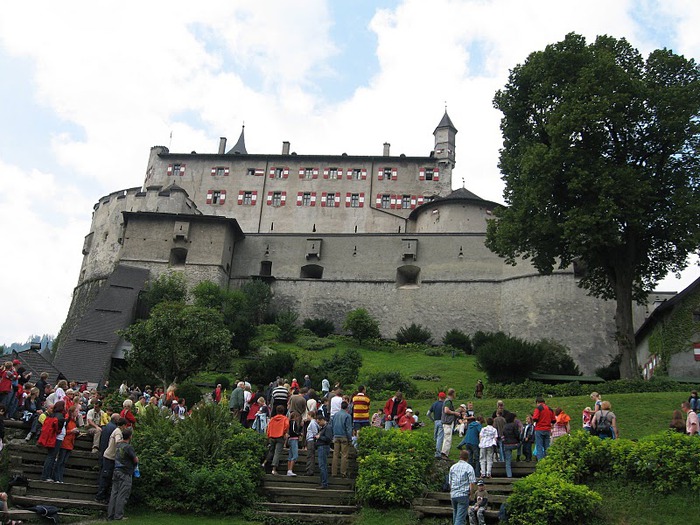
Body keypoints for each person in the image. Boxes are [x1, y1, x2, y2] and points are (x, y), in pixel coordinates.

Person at [107, 427, 138, 521]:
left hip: (116, 471)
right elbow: (135, 459)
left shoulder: (118, 445)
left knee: (114, 493)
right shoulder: (128, 447)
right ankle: (118, 515)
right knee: (122, 494)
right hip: (125, 472)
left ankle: (110, 515)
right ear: (130, 436)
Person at [96, 417, 128, 503]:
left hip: (111, 456)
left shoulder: (117, 430)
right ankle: (100, 496)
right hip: (110, 457)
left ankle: (103, 496)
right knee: (106, 477)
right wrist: (125, 442)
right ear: (123, 425)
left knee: (108, 477)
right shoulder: (118, 432)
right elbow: (118, 442)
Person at [54, 404, 81, 483]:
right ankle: (57, 477)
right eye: (76, 411)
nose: (77, 413)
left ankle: (60, 478)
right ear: (72, 412)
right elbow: (63, 432)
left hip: (70, 444)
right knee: (60, 461)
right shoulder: (67, 420)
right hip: (64, 443)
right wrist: (71, 431)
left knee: (64, 462)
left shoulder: (74, 422)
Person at [39, 401, 66, 482]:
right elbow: (59, 429)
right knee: (51, 456)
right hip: (57, 438)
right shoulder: (60, 417)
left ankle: (46, 475)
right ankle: (46, 476)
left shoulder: (52, 415)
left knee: (50, 456)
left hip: (51, 437)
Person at [448, 449, 476, 525]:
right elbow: (472, 483)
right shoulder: (469, 467)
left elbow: (450, 482)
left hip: (453, 494)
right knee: (460, 519)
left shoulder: (453, 467)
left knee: (456, 515)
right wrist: (472, 494)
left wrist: (452, 491)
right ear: (468, 458)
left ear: (459, 457)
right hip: (463, 495)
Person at [262, 405, 289, 475]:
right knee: (277, 452)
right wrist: (283, 432)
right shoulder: (285, 418)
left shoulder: (272, 419)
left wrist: (268, 436)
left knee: (271, 451)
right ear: (283, 411)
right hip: (280, 436)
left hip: (271, 436)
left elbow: (268, 427)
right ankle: (274, 469)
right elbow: (286, 426)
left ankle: (264, 463)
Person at [331, 401, 352, 478]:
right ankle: (343, 472)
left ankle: (334, 472)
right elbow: (348, 428)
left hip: (336, 436)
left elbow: (332, 425)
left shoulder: (335, 415)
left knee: (335, 454)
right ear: (347, 407)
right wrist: (350, 438)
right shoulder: (347, 416)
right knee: (344, 455)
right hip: (344, 436)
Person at [441, 388, 459, 458]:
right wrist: (454, 413)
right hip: (447, 422)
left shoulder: (448, 401)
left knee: (447, 438)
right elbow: (446, 410)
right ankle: (444, 453)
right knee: (447, 438)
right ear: (452, 394)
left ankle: (444, 453)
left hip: (447, 421)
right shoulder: (448, 401)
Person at [316, 415, 333, 489]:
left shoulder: (328, 427)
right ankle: (323, 482)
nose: (319, 424)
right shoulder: (323, 428)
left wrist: (320, 437)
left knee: (322, 466)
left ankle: (324, 483)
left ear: (322, 420)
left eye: (319, 422)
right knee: (322, 465)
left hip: (323, 447)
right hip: (321, 447)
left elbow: (329, 438)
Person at [501, 413, 520, 478]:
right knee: (520, 445)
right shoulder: (514, 425)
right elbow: (517, 434)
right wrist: (519, 440)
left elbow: (503, 434)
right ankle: (518, 456)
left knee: (508, 461)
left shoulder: (505, 426)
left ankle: (509, 475)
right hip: (514, 443)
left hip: (506, 444)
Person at [428, 392, 446, 458]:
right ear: (444, 398)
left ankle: (432, 451)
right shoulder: (444, 404)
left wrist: (433, 419)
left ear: (438, 397)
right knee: (440, 437)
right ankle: (437, 453)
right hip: (442, 421)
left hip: (436, 421)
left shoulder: (434, 404)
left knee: (435, 437)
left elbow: (428, 414)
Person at [286, 412, 302, 476]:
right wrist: (299, 434)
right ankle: (290, 470)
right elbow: (293, 430)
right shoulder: (293, 422)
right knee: (295, 455)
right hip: (294, 438)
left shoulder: (289, 422)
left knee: (290, 455)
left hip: (290, 438)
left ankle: (288, 470)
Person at [305, 411, 319, 476]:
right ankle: (310, 470)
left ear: (310, 415)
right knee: (311, 456)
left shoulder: (312, 423)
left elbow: (315, 432)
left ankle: (309, 470)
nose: (307, 417)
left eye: (308, 415)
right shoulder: (313, 423)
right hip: (310, 440)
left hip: (311, 440)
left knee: (310, 455)